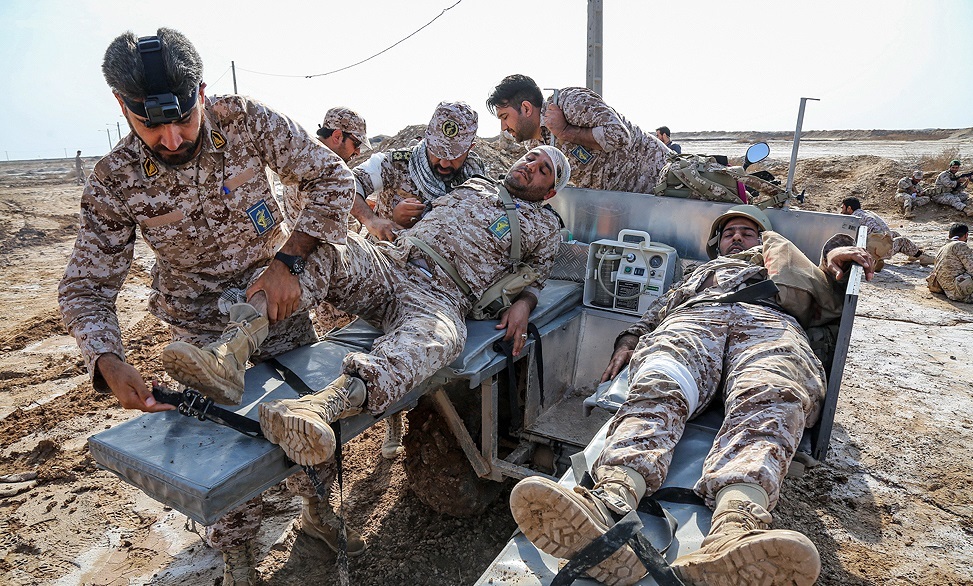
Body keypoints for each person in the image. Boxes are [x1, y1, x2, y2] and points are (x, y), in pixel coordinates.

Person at [57, 28, 360, 585]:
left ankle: (319, 516)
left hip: (277, 307)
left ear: (201, 91)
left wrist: (289, 259)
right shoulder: (115, 180)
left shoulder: (245, 121)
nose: (172, 140)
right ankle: (238, 556)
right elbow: (85, 287)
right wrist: (106, 359)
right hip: (199, 330)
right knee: (218, 444)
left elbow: (332, 179)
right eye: (151, 126)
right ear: (121, 107)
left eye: (184, 119)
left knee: (304, 416)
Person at [508, 205, 874, 586]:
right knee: (658, 384)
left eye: (748, 233)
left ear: (764, 240)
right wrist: (627, 341)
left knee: (772, 395)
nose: (737, 237)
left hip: (771, 323)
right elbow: (658, 312)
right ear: (717, 245)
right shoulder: (698, 274)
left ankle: (735, 529)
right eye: (730, 232)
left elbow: (834, 256)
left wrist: (837, 252)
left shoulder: (787, 264)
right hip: (697, 319)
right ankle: (611, 502)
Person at [162, 146, 571, 471]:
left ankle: (321, 407)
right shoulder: (477, 183)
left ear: (551, 191)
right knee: (330, 247)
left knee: (441, 339)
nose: (530, 166)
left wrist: (524, 305)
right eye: (531, 158)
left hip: (442, 296)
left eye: (543, 171)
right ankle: (230, 354)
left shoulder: (546, 227)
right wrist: (387, 218)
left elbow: (536, 277)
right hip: (392, 263)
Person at [486, 74, 668, 194]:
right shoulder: (536, 147)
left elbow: (619, 135)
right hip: (631, 201)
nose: (503, 127)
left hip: (669, 183)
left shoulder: (568, 103)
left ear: (526, 108)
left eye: (505, 116)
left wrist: (566, 131)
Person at [353, 100, 485, 237]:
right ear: (427, 140)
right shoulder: (396, 164)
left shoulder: (475, 179)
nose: (444, 163)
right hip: (387, 253)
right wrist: (371, 220)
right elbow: (347, 182)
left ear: (470, 148)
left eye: (454, 156)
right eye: (437, 152)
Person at [839, 197, 934, 268]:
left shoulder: (852, 218)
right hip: (876, 247)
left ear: (849, 208)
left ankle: (878, 257)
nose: (841, 211)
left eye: (842, 208)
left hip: (874, 244)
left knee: (895, 234)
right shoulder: (865, 213)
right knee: (903, 241)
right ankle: (920, 256)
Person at [927, 223, 973, 303]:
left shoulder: (942, 248)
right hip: (963, 293)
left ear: (949, 236)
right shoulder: (960, 245)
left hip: (948, 292)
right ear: (966, 235)